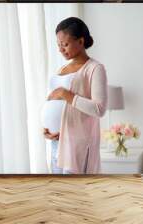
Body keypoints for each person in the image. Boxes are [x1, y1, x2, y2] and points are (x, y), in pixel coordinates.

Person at [41, 17, 108, 174]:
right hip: (56, 141)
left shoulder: (95, 68)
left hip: (77, 144)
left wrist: (65, 94)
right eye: (58, 45)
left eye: (65, 44)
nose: (61, 49)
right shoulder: (62, 69)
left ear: (81, 41)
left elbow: (99, 109)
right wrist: (47, 128)